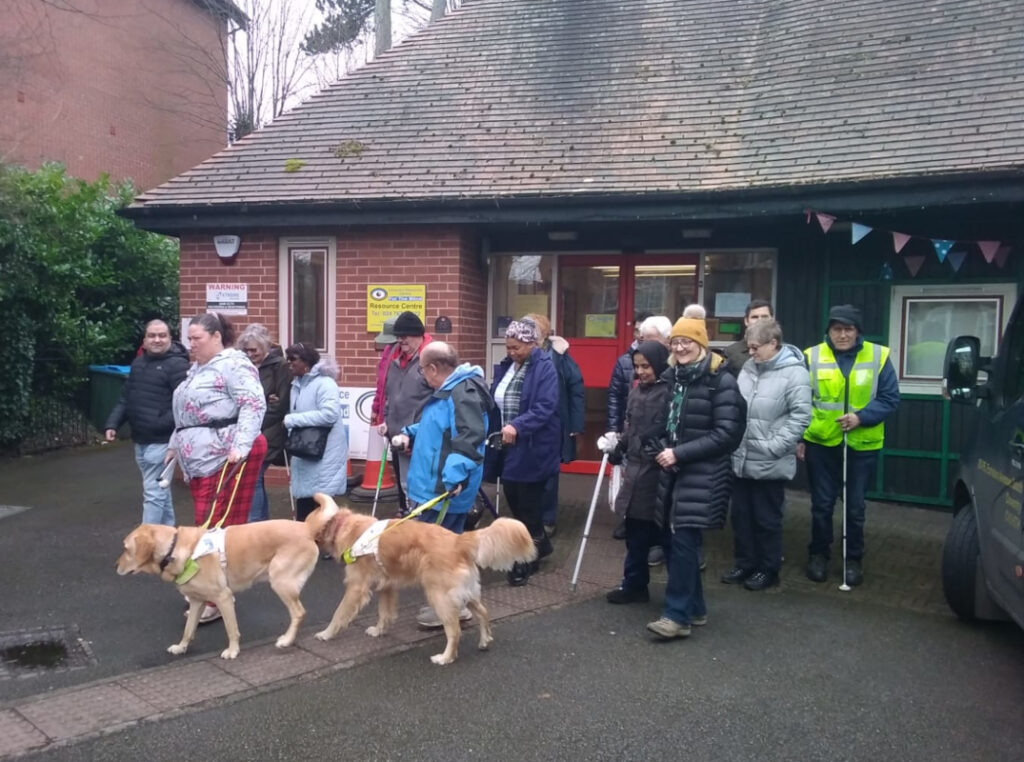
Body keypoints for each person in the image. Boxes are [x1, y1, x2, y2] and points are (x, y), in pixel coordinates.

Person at [646, 316, 746, 640]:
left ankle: (676, 617)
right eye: (675, 342)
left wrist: (679, 453)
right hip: (675, 469)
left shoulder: (721, 380)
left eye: (687, 341)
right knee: (680, 542)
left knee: (684, 542)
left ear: (701, 344)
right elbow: (666, 424)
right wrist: (661, 446)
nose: (680, 347)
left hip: (705, 473)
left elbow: (728, 433)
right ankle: (697, 608)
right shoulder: (673, 378)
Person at [167, 312, 268, 625]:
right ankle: (210, 589)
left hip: (225, 456)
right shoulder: (197, 369)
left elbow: (254, 404)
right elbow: (187, 415)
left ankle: (214, 597)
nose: (191, 344)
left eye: (196, 338)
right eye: (189, 339)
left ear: (215, 337)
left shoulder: (234, 364)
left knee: (212, 528)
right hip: (199, 460)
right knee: (206, 527)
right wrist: (174, 445)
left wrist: (240, 446)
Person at [390, 341, 495, 628]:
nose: (422, 375)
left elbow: (469, 438)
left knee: (440, 555)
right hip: (436, 488)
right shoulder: (453, 390)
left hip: (442, 491)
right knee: (445, 551)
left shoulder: (462, 393)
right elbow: (438, 428)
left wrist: (454, 478)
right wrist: (409, 434)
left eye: (422, 369)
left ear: (434, 368)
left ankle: (448, 608)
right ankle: (453, 604)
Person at [798, 304, 900, 587]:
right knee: (821, 505)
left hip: (862, 445)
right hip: (821, 442)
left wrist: (861, 417)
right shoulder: (812, 356)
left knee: (854, 507)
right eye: (837, 329)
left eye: (848, 329)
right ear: (828, 331)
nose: (842, 335)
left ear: (858, 332)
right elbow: (800, 400)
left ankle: (853, 559)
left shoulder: (878, 356)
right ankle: (818, 555)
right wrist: (800, 438)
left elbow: (890, 398)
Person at [724, 319, 811, 591]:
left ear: (773, 343)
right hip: (741, 456)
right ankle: (745, 563)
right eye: (748, 348)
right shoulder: (749, 368)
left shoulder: (795, 373)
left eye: (755, 347)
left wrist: (775, 446)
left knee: (766, 518)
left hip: (770, 460)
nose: (751, 353)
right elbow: (737, 406)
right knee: (741, 516)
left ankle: (768, 569)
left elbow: (801, 416)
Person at [487, 317, 560, 586]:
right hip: (508, 445)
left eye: (516, 347)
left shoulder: (545, 368)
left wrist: (518, 425)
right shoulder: (507, 366)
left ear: (531, 343)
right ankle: (540, 544)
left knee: (527, 504)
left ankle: (528, 558)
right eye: (508, 347)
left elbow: (545, 406)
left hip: (533, 446)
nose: (511, 352)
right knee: (513, 496)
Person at [601, 340, 671, 604]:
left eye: (646, 366)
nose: (641, 372)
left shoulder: (668, 392)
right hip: (635, 470)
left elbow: (671, 430)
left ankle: (677, 593)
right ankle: (634, 584)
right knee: (634, 533)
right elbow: (629, 426)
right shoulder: (636, 391)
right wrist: (620, 446)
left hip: (658, 472)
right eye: (637, 367)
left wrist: (660, 447)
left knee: (662, 535)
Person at [104, 318, 189, 526]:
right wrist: (112, 423)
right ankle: (169, 540)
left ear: (170, 338)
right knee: (160, 492)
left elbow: (185, 405)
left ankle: (143, 545)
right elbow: (126, 397)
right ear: (144, 340)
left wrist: (160, 423)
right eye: (152, 336)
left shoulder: (178, 365)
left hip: (162, 442)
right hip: (140, 441)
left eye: (162, 335)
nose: (157, 340)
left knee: (153, 493)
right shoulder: (138, 364)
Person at [526, 313, 584, 539]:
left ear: (543, 335)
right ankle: (529, 517)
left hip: (553, 423)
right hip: (528, 424)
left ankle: (547, 519)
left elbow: (576, 388)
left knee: (549, 473)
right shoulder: (520, 355)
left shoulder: (559, 356)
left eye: (533, 333)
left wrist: (576, 424)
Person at [283, 342, 349, 522]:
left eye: (293, 360)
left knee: (322, 506)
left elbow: (329, 415)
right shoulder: (297, 385)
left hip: (324, 452)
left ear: (306, 362)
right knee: (306, 503)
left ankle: (325, 547)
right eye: (288, 359)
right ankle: (308, 545)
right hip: (306, 451)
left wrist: (291, 420)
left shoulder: (325, 383)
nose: (290, 363)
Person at [377, 311, 433, 514]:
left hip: (420, 437)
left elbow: (438, 401)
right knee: (404, 486)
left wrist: (416, 432)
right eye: (398, 336)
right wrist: (386, 418)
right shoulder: (396, 360)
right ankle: (409, 520)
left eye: (404, 336)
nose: (400, 340)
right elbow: (391, 395)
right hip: (397, 437)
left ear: (418, 334)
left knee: (419, 489)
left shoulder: (430, 360)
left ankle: (420, 527)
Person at [237, 325, 290, 522]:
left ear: (264, 347)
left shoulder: (280, 366)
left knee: (253, 477)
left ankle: (255, 522)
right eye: (246, 350)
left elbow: (281, 404)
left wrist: (253, 422)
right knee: (253, 478)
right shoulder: (241, 366)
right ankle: (261, 521)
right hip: (246, 430)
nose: (250, 354)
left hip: (270, 430)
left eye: (254, 350)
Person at [724, 300, 773, 375]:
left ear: (772, 320)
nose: (760, 321)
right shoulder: (730, 352)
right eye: (755, 317)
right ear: (746, 321)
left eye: (764, 317)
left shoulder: (782, 351)